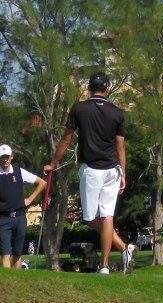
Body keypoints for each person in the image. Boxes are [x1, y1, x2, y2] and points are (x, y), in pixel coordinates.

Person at [45, 72, 133, 275]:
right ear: (107, 88)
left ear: (89, 88)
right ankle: (114, 257)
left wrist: (53, 163)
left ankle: (110, 260)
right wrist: (123, 172)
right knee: (107, 215)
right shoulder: (117, 112)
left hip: (91, 170)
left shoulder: (79, 109)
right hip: (112, 170)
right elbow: (121, 147)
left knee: (92, 218)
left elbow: (66, 140)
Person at [0, 143, 46, 270]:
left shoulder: (19, 172)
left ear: (12, 157)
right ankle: (6, 284)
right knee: (5, 253)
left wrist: (30, 199)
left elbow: (42, 183)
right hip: (3, 220)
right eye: (2, 157)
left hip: (19, 217)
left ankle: (16, 283)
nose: (5, 160)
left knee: (18, 254)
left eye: (7, 157)